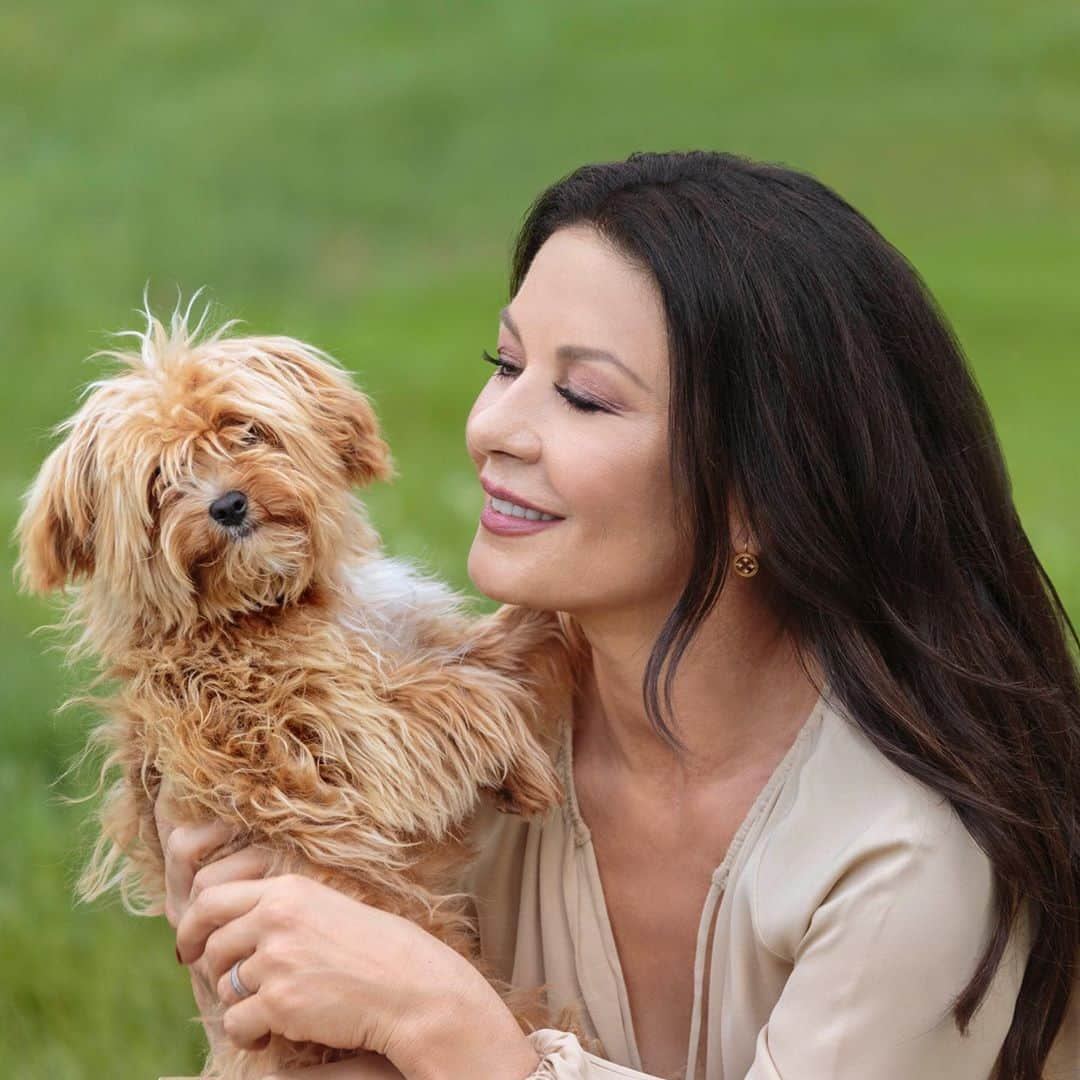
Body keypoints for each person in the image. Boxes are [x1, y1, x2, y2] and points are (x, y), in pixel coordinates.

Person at [158, 151, 1079, 1079]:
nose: (493, 428)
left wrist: (438, 1021)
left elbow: (417, 1022)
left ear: (759, 493)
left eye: (583, 396)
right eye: (505, 362)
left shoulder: (910, 856)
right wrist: (265, 969)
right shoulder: (446, 740)